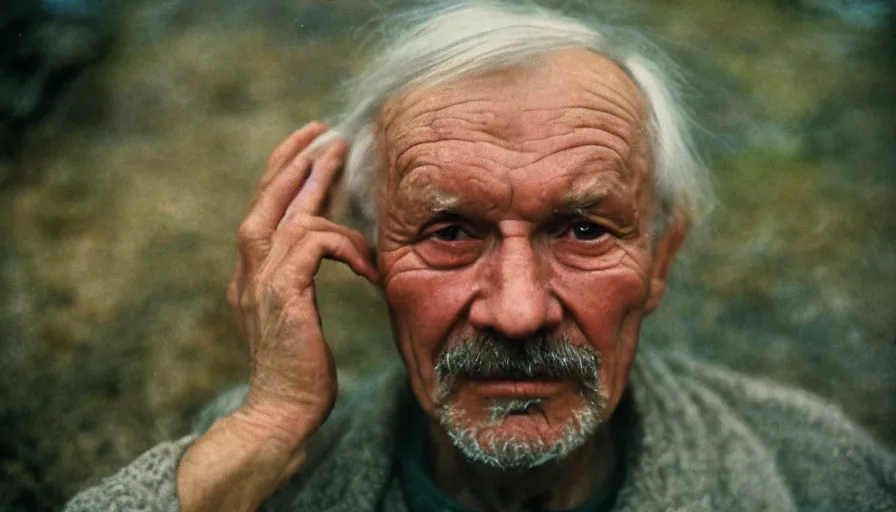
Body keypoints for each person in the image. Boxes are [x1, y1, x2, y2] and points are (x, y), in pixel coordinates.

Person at [65, 2, 895, 511]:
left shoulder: (816, 468)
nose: (518, 310)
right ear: (363, 256)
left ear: (661, 255)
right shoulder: (244, 472)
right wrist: (268, 430)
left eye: (583, 229)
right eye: (450, 231)